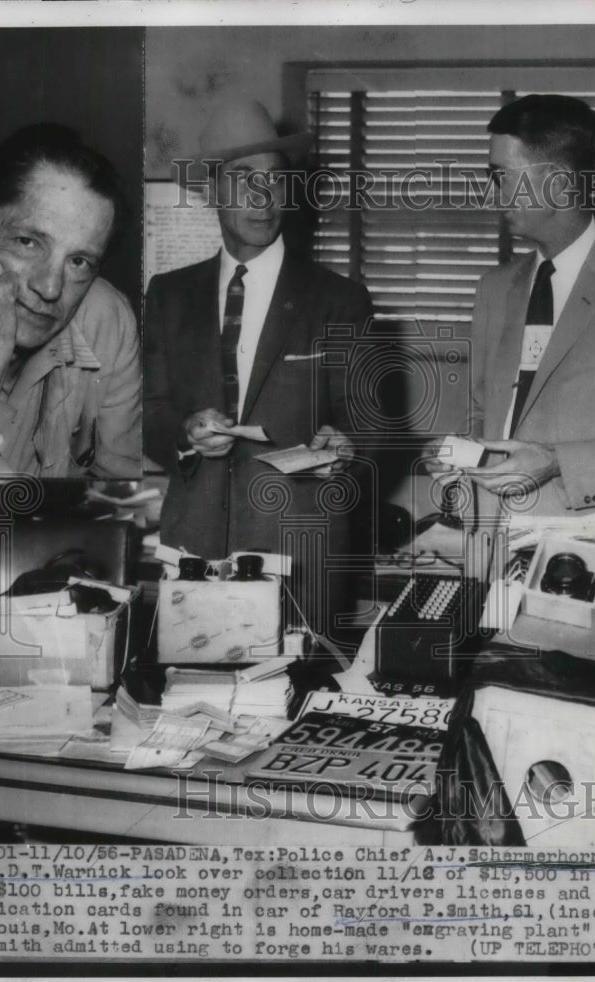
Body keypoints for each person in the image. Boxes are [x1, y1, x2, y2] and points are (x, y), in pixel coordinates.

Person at [144, 99, 374, 640]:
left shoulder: (339, 300)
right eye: (243, 178)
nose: (263, 196)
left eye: (274, 179)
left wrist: (349, 444)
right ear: (210, 190)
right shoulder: (169, 294)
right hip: (194, 547)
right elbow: (148, 413)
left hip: (301, 555)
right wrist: (183, 433)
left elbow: (378, 429)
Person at [434, 94, 595, 519]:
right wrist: (455, 453)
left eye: (500, 175)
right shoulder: (494, 289)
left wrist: (556, 462)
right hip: (491, 549)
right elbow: (482, 413)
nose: (491, 192)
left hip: (590, 559)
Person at [0, 123, 141, 478]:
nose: (50, 288)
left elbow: (122, 493)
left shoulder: (107, 319)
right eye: (27, 242)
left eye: (79, 261)